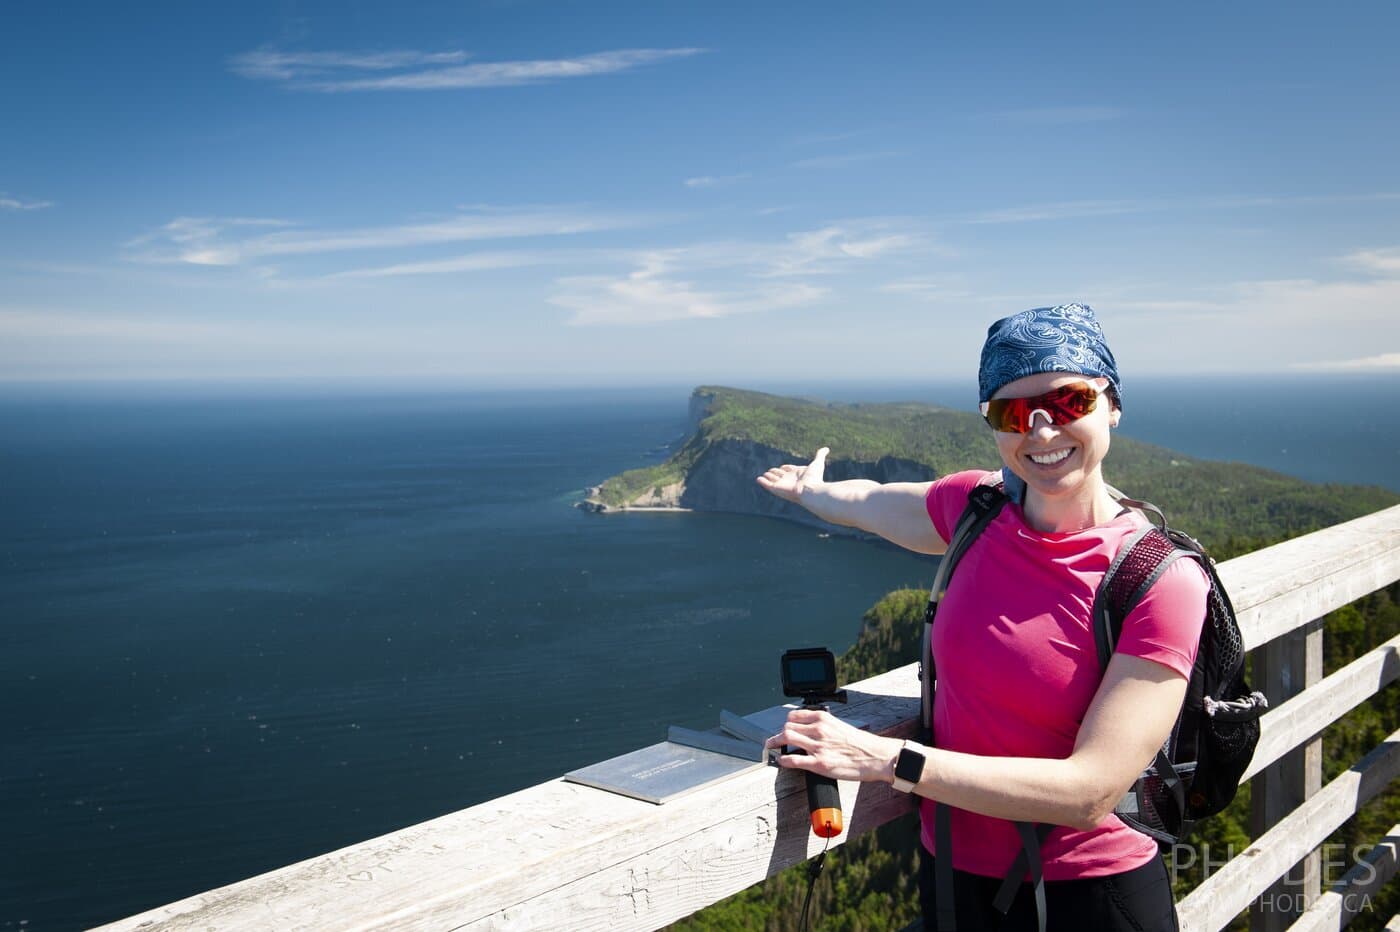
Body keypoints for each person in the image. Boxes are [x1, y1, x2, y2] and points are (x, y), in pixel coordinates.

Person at [757, 304, 1206, 931]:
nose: (1042, 431)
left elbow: (1090, 792)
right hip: (952, 879)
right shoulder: (978, 510)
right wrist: (812, 492)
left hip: (1090, 894)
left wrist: (885, 761)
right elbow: (872, 502)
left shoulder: (1158, 578)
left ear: (1112, 405)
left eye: (1069, 401)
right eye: (1012, 413)